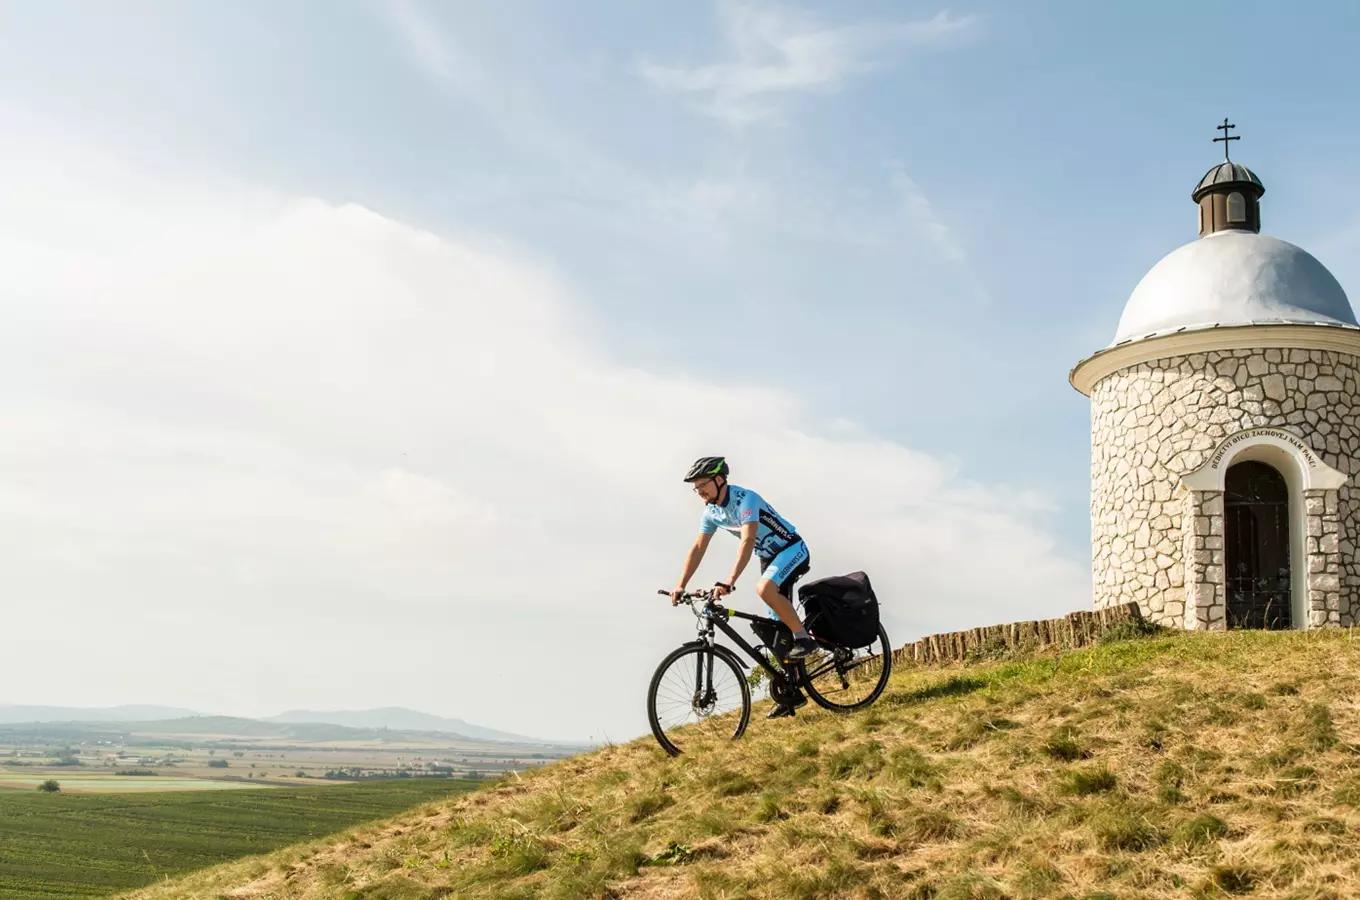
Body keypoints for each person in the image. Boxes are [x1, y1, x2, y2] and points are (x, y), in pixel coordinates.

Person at [670, 456, 815, 718]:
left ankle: (804, 639)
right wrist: (680, 585)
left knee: (764, 589)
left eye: (702, 484)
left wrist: (730, 581)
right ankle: (790, 692)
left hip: (792, 549)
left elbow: (747, 541)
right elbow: (698, 548)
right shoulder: (711, 512)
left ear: (720, 479)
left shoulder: (746, 499)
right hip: (769, 558)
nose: (699, 491)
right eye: (696, 488)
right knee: (773, 632)